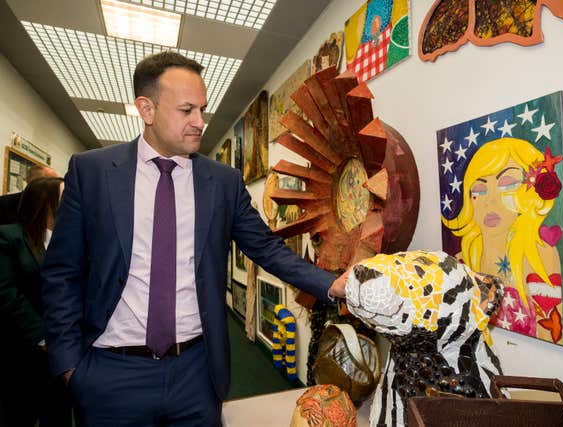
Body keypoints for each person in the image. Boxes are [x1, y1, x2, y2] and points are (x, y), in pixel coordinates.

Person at [41, 51, 348, 427]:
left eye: (202, 110)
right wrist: (69, 364)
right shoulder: (92, 172)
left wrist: (332, 285)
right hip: (108, 373)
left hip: (195, 375)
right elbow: (61, 273)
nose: (199, 122)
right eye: (187, 110)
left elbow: (266, 248)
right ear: (146, 109)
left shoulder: (222, 182)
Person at [442, 137, 563, 342]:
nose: (491, 200)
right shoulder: (461, 261)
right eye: (479, 190)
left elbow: (552, 333)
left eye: (507, 184)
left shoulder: (541, 255)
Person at [0, 176, 71, 427]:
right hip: (22, 352)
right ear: (45, 202)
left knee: (59, 415)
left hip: (62, 354)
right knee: (19, 414)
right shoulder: (9, 237)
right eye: (65, 195)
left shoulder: (70, 240)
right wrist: (43, 337)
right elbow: (6, 292)